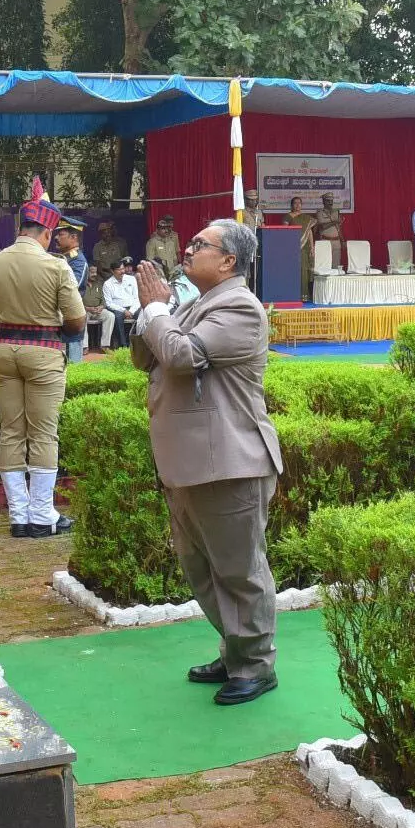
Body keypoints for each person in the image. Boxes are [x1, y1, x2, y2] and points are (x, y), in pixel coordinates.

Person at [131, 222, 283, 706]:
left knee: (238, 569)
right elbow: (145, 358)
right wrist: (151, 310)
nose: (188, 250)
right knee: (202, 568)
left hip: (230, 461)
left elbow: (178, 356)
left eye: (200, 245)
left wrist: (157, 310)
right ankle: (235, 648)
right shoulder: (195, 302)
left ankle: (256, 664)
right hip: (192, 460)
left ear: (228, 262)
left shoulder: (239, 306)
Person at [0, 188, 86, 538]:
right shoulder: (56, 266)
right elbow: (77, 321)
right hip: (44, 353)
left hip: (5, 352)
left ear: (21, 227)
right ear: (48, 233)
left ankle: (18, 517)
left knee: (11, 431)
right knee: (43, 433)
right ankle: (41, 515)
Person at [52, 214, 88, 364]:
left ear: (74, 237)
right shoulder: (62, 258)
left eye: (61, 234)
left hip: (70, 317)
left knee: (73, 365)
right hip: (58, 317)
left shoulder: (78, 260)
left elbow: (74, 285)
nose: (55, 237)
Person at [101, 258, 140, 342]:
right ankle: (123, 344)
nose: (122, 271)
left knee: (143, 314)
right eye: (119, 270)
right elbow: (108, 303)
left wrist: (132, 311)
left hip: (133, 307)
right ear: (112, 271)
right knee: (117, 317)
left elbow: (137, 298)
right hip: (118, 309)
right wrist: (124, 310)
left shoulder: (131, 279)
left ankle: (139, 342)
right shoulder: (107, 284)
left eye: (123, 269)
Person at [286, 197, 316, 295]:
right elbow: (284, 232)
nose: (298, 205)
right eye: (295, 203)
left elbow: (310, 232)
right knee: (295, 270)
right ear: (291, 205)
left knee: (305, 270)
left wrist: (312, 247)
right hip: (293, 247)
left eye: (299, 203)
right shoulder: (288, 217)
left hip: (305, 247)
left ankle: (305, 294)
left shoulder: (306, 218)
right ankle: (294, 293)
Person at [81, 264, 115, 351]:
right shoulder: (81, 285)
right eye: (92, 272)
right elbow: (76, 302)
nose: (94, 274)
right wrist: (87, 308)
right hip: (85, 310)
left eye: (95, 272)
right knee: (82, 317)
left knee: (110, 315)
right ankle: (84, 347)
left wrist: (101, 307)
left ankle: (105, 346)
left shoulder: (99, 284)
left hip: (97, 311)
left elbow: (103, 300)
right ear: (86, 273)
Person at [312, 193, 344, 270]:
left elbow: (338, 228)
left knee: (336, 266)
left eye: (331, 200)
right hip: (325, 241)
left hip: (336, 242)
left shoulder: (337, 212)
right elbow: (322, 226)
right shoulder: (320, 212)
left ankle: (334, 282)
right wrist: (335, 221)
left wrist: (342, 240)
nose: (330, 202)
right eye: (328, 200)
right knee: (324, 265)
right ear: (323, 201)